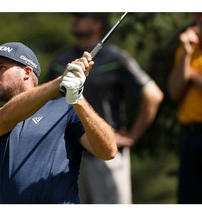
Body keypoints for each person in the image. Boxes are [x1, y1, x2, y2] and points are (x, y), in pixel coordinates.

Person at [0, 41, 117, 204]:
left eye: (0, 67)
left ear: (27, 72)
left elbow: (108, 151)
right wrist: (62, 80)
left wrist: (78, 98)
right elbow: (7, 116)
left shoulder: (66, 109)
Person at [46, 13, 164, 204]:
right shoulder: (63, 61)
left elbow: (153, 95)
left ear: (97, 23)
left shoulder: (116, 58)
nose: (74, 20)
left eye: (81, 16)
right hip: (68, 157)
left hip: (107, 156)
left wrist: (132, 136)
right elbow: (45, 102)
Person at [167, 13, 202, 204]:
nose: (197, 20)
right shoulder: (189, 48)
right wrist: (187, 54)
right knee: (188, 201)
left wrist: (192, 75)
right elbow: (174, 91)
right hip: (190, 136)